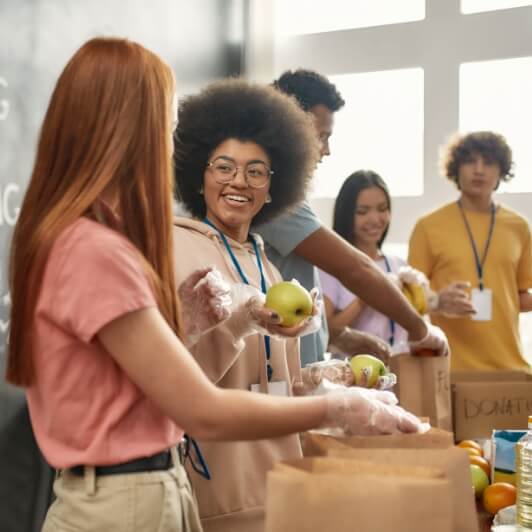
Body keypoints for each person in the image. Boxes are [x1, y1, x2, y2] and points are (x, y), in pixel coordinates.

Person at [6, 38, 423, 532]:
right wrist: (337, 408)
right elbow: (200, 409)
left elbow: (129, 387)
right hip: (131, 499)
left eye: (255, 172)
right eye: (163, 123)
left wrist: (203, 328)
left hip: (146, 490)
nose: (167, 141)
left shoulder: (87, 240)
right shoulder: (96, 249)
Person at [256, 68, 449, 366]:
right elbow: (356, 269)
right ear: (290, 129)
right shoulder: (275, 198)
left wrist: (344, 337)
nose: (327, 150)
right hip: (281, 373)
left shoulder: (284, 195)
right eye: (321, 137)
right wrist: (420, 329)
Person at [409, 131, 532, 371]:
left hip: (511, 367)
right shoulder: (428, 226)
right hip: (448, 367)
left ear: (501, 171)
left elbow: (520, 298)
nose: (479, 169)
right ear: (456, 169)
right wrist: (437, 300)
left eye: (488, 162)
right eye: (470, 161)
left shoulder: (519, 227)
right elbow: (408, 298)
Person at [319, 170, 409, 355]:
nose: (375, 219)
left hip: (400, 371)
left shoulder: (399, 265)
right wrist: (368, 294)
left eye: (382, 208)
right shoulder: (331, 267)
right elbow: (326, 333)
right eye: (362, 211)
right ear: (346, 214)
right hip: (352, 377)